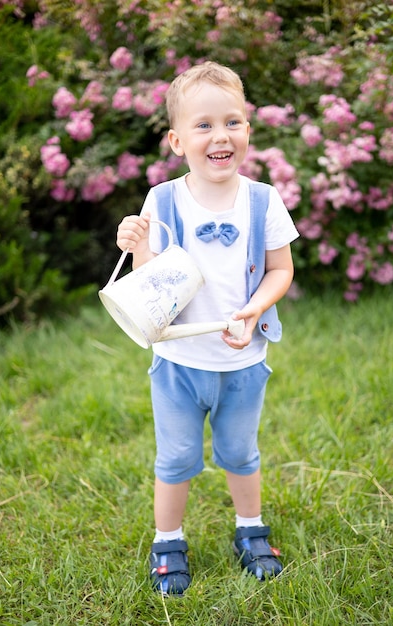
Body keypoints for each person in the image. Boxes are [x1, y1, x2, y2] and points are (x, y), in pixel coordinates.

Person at [116, 61, 299, 595]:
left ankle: (250, 530)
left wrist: (253, 310)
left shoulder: (263, 199)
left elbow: (280, 269)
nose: (221, 135)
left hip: (242, 359)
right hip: (178, 362)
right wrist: (135, 243)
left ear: (247, 130)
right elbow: (151, 278)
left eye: (233, 122)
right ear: (176, 140)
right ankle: (167, 540)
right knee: (175, 457)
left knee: (241, 451)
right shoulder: (163, 200)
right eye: (203, 125)